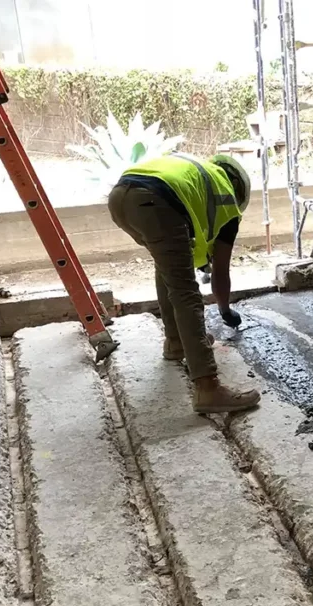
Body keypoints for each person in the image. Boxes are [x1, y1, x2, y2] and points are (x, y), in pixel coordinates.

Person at [107, 152, 261, 414]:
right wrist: (225, 311)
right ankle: (208, 388)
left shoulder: (198, 176)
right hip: (154, 201)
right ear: (238, 188)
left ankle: (176, 341)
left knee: (167, 267)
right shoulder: (226, 201)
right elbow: (220, 273)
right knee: (185, 291)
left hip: (121, 198)